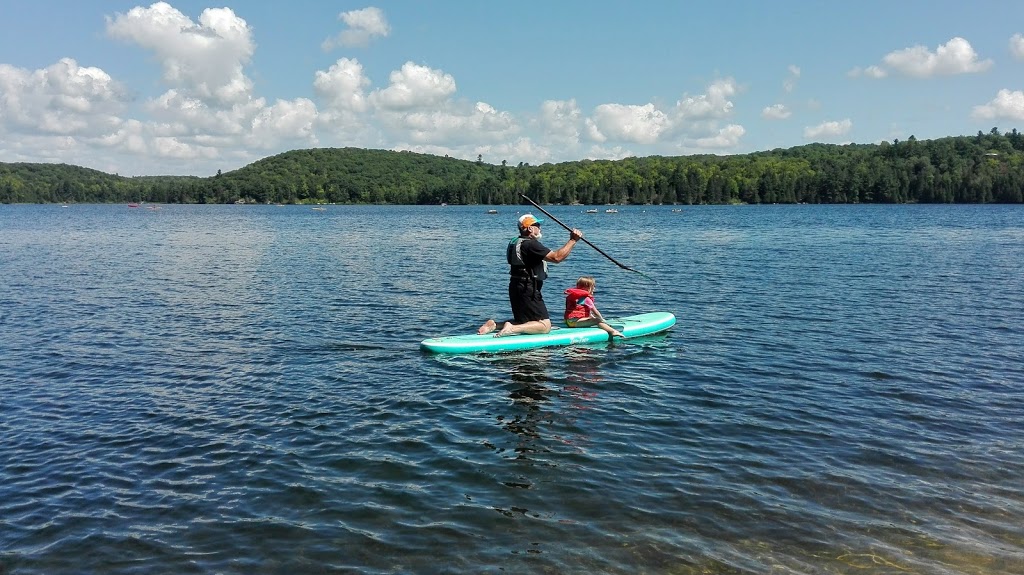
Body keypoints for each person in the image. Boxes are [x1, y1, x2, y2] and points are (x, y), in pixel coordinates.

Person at [478, 213, 584, 337]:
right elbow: (557, 257)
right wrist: (573, 240)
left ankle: (495, 325)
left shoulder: (514, 242)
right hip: (527, 288)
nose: (540, 228)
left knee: (524, 322)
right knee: (545, 326)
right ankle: (511, 329)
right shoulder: (530, 244)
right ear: (529, 228)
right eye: (537, 225)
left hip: (515, 286)